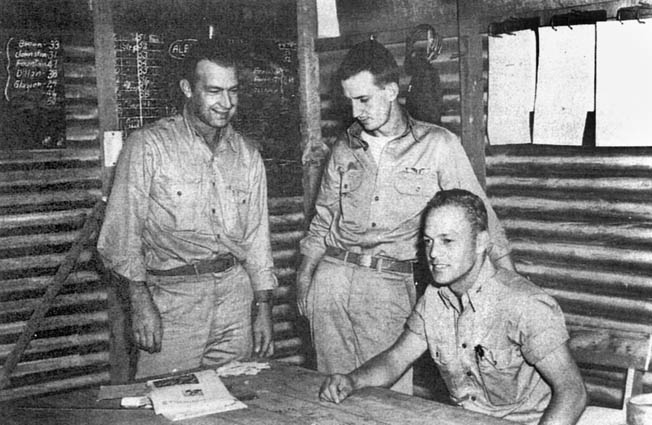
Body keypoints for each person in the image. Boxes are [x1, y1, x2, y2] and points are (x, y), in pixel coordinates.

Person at [296, 39, 514, 394]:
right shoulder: (342, 148)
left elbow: (481, 216)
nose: (355, 111)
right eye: (349, 100)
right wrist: (305, 277)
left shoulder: (438, 144)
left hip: (387, 286)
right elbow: (322, 220)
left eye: (363, 99)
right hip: (331, 281)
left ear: (391, 91)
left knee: (387, 400)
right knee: (332, 395)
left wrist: (510, 284)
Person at [319, 189, 587, 425]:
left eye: (447, 241)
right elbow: (395, 359)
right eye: (428, 241)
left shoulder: (524, 305)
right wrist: (352, 380)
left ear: (481, 243)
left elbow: (573, 392)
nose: (434, 253)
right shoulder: (435, 298)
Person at [97, 40, 276, 379]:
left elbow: (257, 239)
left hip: (235, 300)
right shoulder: (148, 146)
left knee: (236, 401)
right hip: (172, 301)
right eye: (213, 91)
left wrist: (263, 307)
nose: (226, 103)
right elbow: (120, 236)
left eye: (233, 91)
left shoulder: (247, 155)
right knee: (165, 404)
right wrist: (140, 303)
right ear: (187, 89)